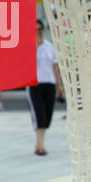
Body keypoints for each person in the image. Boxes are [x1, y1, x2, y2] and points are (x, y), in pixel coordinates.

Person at [29, 25, 62, 157]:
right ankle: (40, 143)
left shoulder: (50, 46)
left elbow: (55, 67)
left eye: (40, 29)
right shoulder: (28, 47)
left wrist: (59, 86)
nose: (38, 32)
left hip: (49, 83)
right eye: (35, 29)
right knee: (39, 114)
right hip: (34, 84)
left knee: (47, 115)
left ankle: (39, 143)